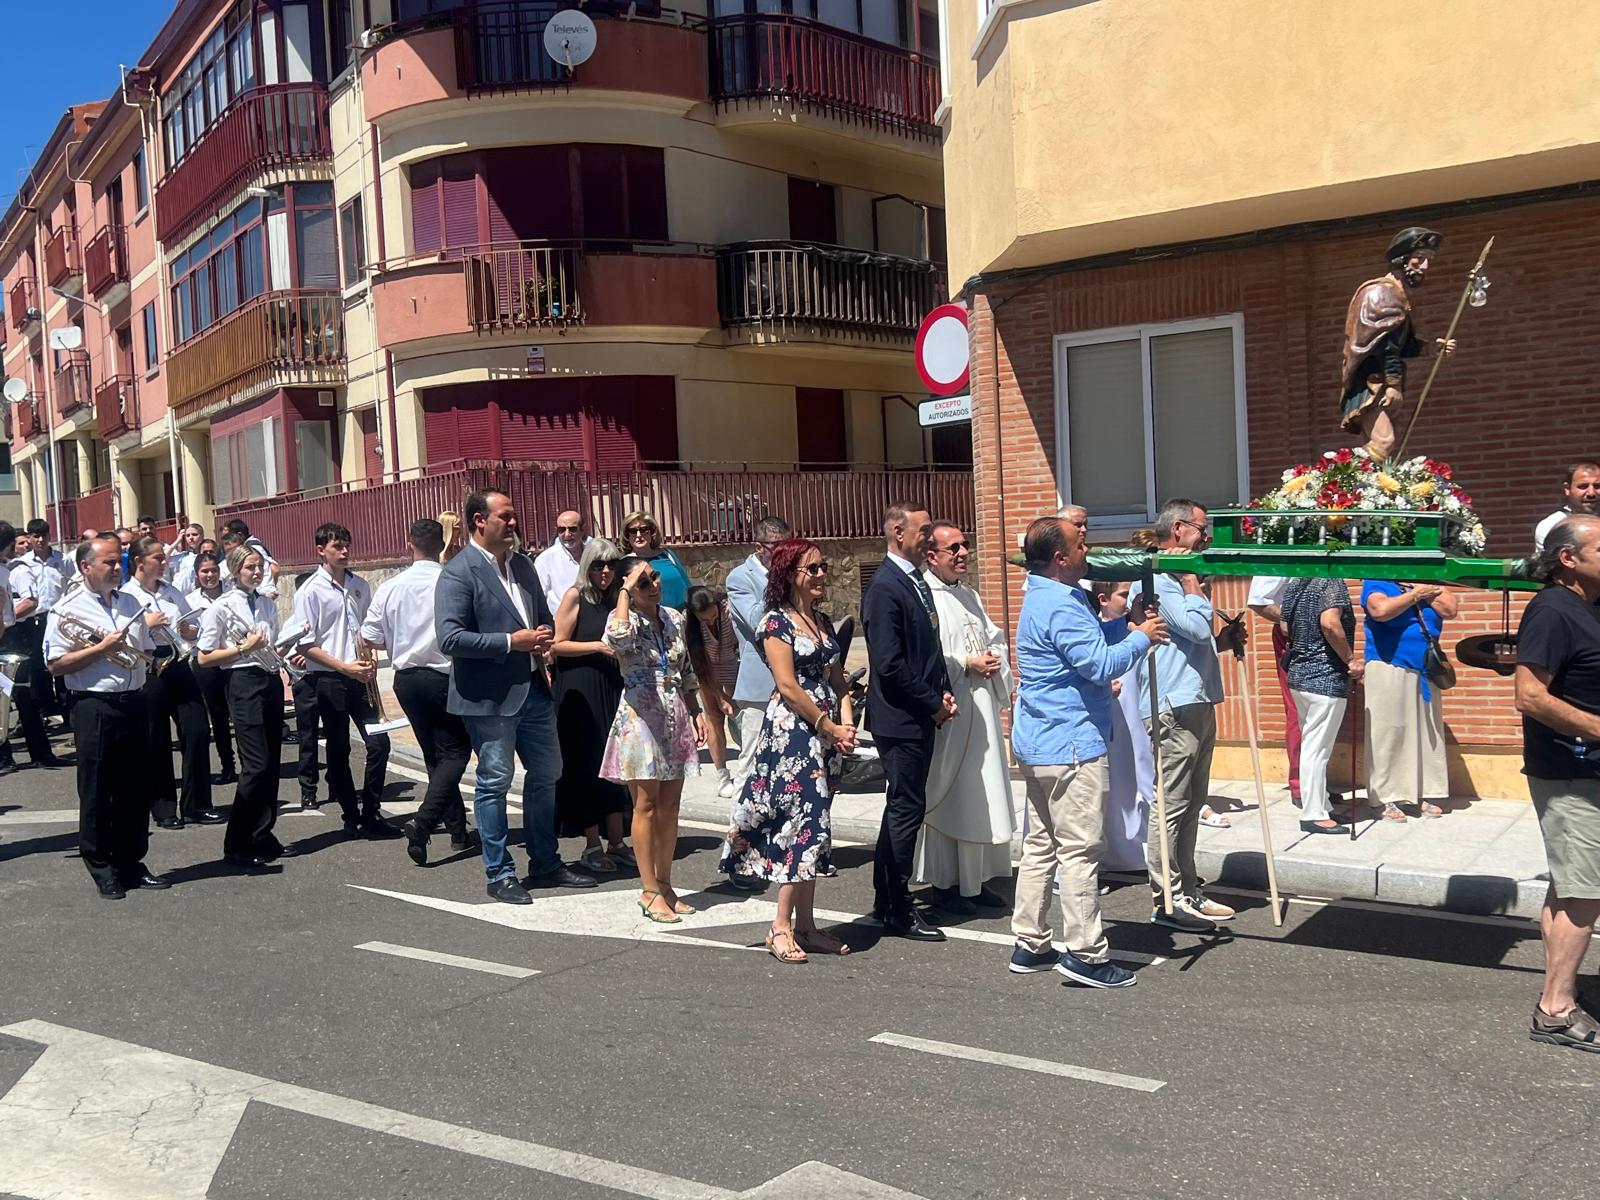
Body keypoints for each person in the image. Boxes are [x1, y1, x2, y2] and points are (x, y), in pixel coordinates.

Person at [1008, 515, 1166, 988]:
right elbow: (1098, 665)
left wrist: (1127, 626)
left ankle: (1030, 942)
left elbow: (1089, 647)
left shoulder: (1048, 595)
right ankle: (1086, 954)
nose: (1087, 552)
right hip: (1070, 742)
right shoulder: (1061, 603)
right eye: (1081, 545)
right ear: (1060, 558)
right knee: (1079, 849)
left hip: (1041, 740)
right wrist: (1143, 638)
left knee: (1041, 846)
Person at [437, 489, 597, 904]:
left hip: (534, 691)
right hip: (488, 699)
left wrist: (543, 637)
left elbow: (541, 617)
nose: (513, 522)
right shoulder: (459, 571)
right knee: (494, 782)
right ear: (478, 521)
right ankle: (499, 872)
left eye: (512, 516)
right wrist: (511, 642)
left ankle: (545, 861)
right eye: (504, 516)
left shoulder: (523, 565)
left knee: (548, 774)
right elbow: (450, 638)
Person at [722, 538, 856, 962]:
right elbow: (787, 686)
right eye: (811, 568)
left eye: (823, 567)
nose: (821, 575)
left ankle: (808, 926)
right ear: (789, 574)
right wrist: (828, 724)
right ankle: (780, 926)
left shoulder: (822, 622)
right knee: (802, 822)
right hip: (794, 735)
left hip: (826, 735)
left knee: (816, 825)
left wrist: (847, 723)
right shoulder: (775, 624)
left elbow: (839, 681)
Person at [1128, 501, 1235, 931]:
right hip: (1172, 705)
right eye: (1201, 529)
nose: (1206, 536)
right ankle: (1166, 900)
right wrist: (1193, 584)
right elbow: (1191, 628)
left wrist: (1226, 640)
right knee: (1171, 806)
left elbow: (1197, 642)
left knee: (1192, 803)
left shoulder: (1181, 585)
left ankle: (1188, 889)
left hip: (1197, 698)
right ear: (1178, 529)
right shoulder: (1157, 583)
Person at [44, 535, 170, 899]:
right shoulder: (66, 609)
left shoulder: (132, 602)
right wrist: (102, 648)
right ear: (86, 567)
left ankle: (131, 862)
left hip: (132, 700)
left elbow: (145, 650)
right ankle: (102, 867)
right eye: (109, 563)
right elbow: (55, 664)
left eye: (119, 562)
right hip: (93, 705)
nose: (117, 568)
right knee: (98, 789)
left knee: (135, 787)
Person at [1515, 516, 1600, 1051]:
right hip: (1570, 772)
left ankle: (1559, 991)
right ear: (1569, 559)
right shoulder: (1551, 611)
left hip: (1588, 770)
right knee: (1586, 892)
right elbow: (1529, 696)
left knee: (1569, 884)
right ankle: (1556, 1009)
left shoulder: (1589, 606)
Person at [863, 502, 955, 942]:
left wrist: (944, 687)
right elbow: (890, 664)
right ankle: (898, 906)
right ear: (898, 532)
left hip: (918, 712)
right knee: (905, 810)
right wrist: (932, 702)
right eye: (922, 530)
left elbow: (927, 647)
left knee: (903, 807)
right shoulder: (885, 587)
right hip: (901, 719)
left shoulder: (914, 581)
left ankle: (886, 896)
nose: (929, 536)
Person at [360, 519, 476, 867]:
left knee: (435, 755)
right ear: (441, 544)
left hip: (407, 678)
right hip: (445, 674)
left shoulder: (392, 586)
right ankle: (424, 822)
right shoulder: (450, 580)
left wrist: (399, 639)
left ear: (410, 543)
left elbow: (370, 634)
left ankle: (457, 829)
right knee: (457, 751)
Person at [913, 522, 1015, 914]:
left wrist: (994, 658)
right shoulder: (926, 597)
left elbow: (994, 637)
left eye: (965, 545)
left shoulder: (968, 594)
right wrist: (964, 663)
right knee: (954, 795)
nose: (962, 553)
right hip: (951, 712)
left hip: (982, 709)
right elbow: (924, 654)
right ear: (931, 555)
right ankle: (946, 885)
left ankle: (974, 884)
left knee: (981, 794)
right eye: (952, 548)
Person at [602, 556, 702, 924]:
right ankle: (648, 889)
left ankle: (665, 881)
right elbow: (617, 639)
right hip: (640, 715)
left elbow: (686, 670)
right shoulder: (621, 617)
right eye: (645, 581)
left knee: (671, 805)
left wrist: (696, 711)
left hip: (673, 711)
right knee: (645, 803)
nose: (654, 585)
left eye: (655, 577)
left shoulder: (674, 619)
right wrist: (626, 591)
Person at [196, 544, 297, 869]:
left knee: (272, 765)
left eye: (260, 567)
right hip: (241, 683)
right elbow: (204, 656)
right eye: (251, 567)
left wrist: (286, 652)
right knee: (255, 765)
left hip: (268, 680)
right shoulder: (221, 608)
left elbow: (272, 644)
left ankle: (262, 833)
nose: (257, 572)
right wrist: (244, 647)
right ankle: (236, 842)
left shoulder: (266, 604)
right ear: (236, 570)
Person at [292, 523, 395, 840]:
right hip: (330, 678)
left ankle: (371, 811)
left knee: (380, 742)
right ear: (321, 550)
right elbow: (306, 645)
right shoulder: (310, 591)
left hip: (361, 677)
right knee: (338, 749)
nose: (345, 551)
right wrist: (344, 667)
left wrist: (371, 658)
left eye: (347, 545)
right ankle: (351, 814)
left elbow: (367, 630)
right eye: (338, 546)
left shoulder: (361, 586)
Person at [124, 537, 222, 829]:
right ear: (140, 562)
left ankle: (197, 804)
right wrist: (146, 625)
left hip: (178, 663)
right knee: (156, 739)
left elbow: (192, 629)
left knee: (197, 730)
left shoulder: (171, 592)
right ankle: (163, 805)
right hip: (150, 666)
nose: (164, 562)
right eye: (158, 558)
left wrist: (189, 630)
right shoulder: (127, 595)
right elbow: (123, 638)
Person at [551, 537, 634, 873]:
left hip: (612, 687)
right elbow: (558, 645)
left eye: (611, 564)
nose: (604, 571)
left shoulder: (617, 599)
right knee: (585, 764)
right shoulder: (576, 596)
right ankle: (591, 844)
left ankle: (616, 841)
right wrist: (597, 648)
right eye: (598, 564)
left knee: (614, 765)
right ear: (587, 566)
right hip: (580, 688)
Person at [1338, 226, 1456, 459]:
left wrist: (1430, 348)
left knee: (1387, 451)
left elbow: (1401, 343)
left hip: (1379, 381)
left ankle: (1372, 489)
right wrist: (1393, 384)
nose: (1425, 267)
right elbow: (1385, 344)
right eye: (1419, 260)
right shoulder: (1382, 293)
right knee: (1383, 443)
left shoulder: (1396, 295)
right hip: (1371, 383)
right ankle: (1339, 479)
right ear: (1401, 260)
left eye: (1428, 260)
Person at [1360, 580, 1459, 821]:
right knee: (1389, 731)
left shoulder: (1428, 580)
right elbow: (1380, 610)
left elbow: (1450, 610)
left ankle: (1424, 792)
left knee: (1427, 730)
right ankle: (1385, 797)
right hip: (1388, 663)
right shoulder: (1377, 582)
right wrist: (1417, 595)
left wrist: (1421, 588)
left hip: (1425, 665)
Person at [1280, 575, 1360, 835]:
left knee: (1311, 745)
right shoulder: (1332, 582)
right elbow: (1329, 623)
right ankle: (1313, 813)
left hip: (1299, 674)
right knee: (1317, 749)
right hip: (1325, 677)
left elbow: (1284, 626)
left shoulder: (1297, 583)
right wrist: (1350, 659)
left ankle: (1321, 804)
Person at [1086, 579, 1154, 871]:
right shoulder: (1082, 624)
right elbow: (1093, 663)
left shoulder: (1125, 627)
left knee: (1133, 775)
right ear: (1102, 599)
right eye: (1123, 595)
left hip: (1133, 716)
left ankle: (1130, 847)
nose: (1128, 599)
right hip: (1101, 716)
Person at [0, 525, 55, 771]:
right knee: (17, 697)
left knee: (13, 697)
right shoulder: (4, 569)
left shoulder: (10, 570)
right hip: (8, 632)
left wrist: (9, 616)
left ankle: (12, 755)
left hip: (9, 634)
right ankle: (37, 752)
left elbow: (30, 601)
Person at [185, 551, 237, 785]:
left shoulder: (233, 596)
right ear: (197, 575)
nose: (210, 575)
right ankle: (228, 765)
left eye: (214, 570)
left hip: (233, 660)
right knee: (217, 715)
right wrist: (198, 633)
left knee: (238, 712)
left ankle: (249, 763)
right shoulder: (191, 601)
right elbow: (185, 633)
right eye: (205, 571)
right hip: (206, 662)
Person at [684, 585, 739, 797]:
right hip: (707, 668)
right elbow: (699, 662)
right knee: (714, 719)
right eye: (705, 620)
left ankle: (749, 769)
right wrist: (719, 695)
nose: (711, 622)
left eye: (713, 616)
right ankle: (722, 776)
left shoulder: (729, 609)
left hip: (734, 664)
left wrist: (731, 696)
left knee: (740, 715)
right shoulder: (689, 624)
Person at [619, 510, 690, 611]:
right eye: (633, 531)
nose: (639, 535)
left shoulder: (667, 554)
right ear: (627, 535)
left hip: (683, 616)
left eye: (644, 530)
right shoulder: (625, 563)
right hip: (653, 619)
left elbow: (686, 583)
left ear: (652, 532)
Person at [1534, 461, 1600, 553]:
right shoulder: (1552, 526)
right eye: (1583, 486)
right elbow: (1548, 566)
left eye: (1597, 486)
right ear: (1567, 489)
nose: (1591, 493)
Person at [534, 509, 590, 615]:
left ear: (582, 530)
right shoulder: (545, 560)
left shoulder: (592, 554)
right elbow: (539, 597)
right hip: (561, 624)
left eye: (572, 529)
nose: (567, 534)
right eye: (561, 530)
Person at [219, 519, 281, 598]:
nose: (234, 554)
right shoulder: (221, 568)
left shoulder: (256, 555)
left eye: (236, 549)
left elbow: (274, 570)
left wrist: (263, 596)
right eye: (229, 552)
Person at [166, 522, 204, 593]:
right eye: (188, 535)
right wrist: (178, 540)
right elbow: (163, 558)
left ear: (202, 536)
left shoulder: (207, 556)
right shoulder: (183, 557)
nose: (191, 538)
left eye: (195, 534)